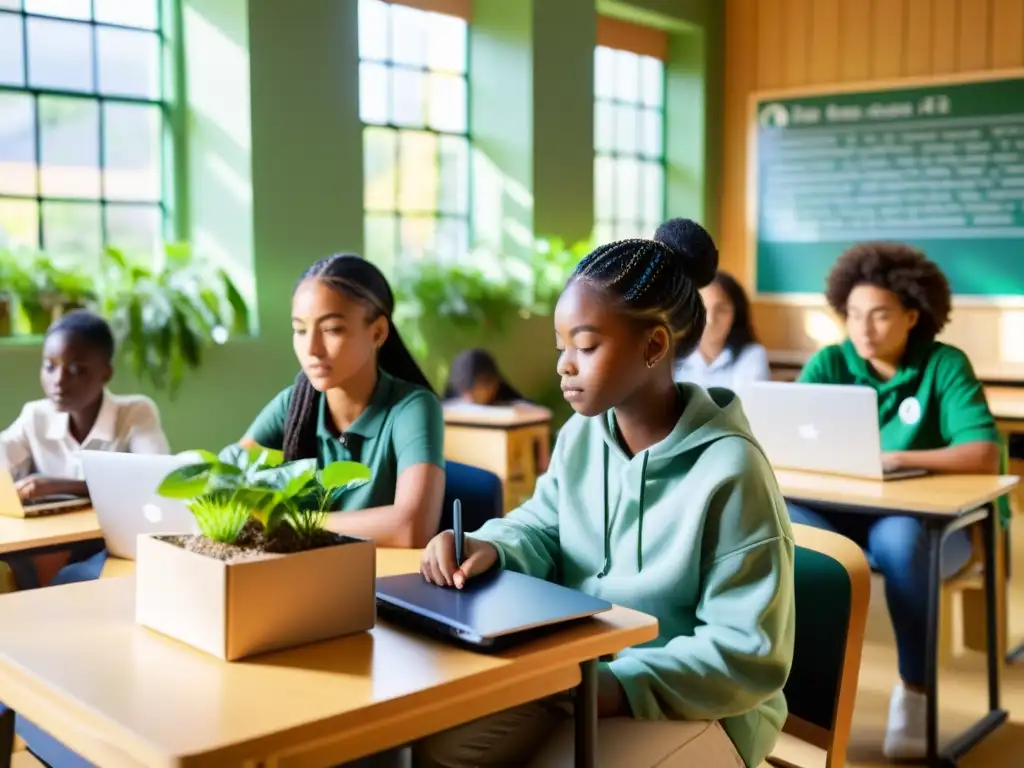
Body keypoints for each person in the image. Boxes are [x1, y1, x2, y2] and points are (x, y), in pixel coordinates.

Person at [416, 219, 795, 768]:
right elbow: (545, 524)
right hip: (579, 669)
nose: (564, 364)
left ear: (655, 345)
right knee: (437, 748)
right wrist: (490, 545)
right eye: (561, 346)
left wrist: (614, 687)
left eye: (586, 346)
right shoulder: (581, 437)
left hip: (706, 709)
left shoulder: (731, 471)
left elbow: (746, 653)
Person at [789, 242, 1000, 760]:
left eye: (880, 315)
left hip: (925, 529)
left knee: (902, 539)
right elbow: (792, 436)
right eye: (854, 315)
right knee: (792, 530)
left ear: (912, 314)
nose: (864, 329)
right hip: (842, 518)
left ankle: (915, 691)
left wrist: (898, 459)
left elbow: (982, 452)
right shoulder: (830, 362)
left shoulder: (944, 364)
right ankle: (801, 696)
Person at [241, 253, 445, 548]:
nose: (311, 348)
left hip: (381, 585)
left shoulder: (413, 407)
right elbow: (227, 487)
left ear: (377, 332)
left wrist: (294, 521)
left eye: (332, 329)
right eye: (300, 330)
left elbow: (411, 527)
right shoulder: (294, 404)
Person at [0, 310, 169, 588]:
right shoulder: (35, 416)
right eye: (50, 366)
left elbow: (159, 479)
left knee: (73, 579)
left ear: (106, 372)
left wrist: (63, 486)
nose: (59, 380)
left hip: (116, 543)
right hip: (50, 544)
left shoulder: (135, 413)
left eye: (76, 369)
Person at [673, 270, 770, 389]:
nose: (710, 320)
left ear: (736, 313)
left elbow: (747, 403)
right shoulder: (673, 356)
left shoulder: (751, 356)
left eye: (721, 310)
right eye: (702, 309)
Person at [443, 348, 525, 406]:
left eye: (472, 391)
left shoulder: (508, 398)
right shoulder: (451, 400)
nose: (467, 398)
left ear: (492, 387)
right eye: (464, 391)